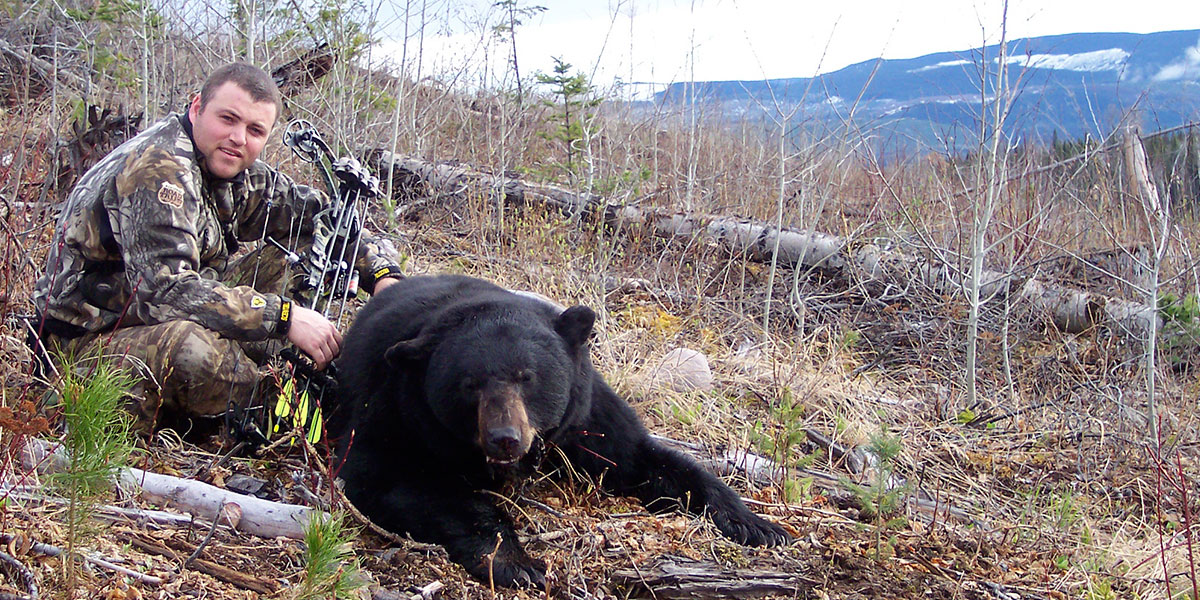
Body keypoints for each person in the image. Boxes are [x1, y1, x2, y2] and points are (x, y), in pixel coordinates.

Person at [30, 62, 404, 434]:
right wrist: (286, 317)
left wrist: (385, 278)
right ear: (196, 109)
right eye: (228, 119)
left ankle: (288, 386)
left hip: (159, 316)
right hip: (81, 350)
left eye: (255, 130)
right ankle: (302, 415)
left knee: (305, 253)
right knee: (192, 350)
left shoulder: (233, 168)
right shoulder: (158, 168)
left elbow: (327, 219)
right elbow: (166, 293)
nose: (239, 137)